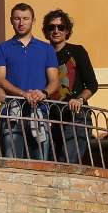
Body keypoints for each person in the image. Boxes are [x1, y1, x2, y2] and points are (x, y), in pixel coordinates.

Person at [0, 2, 60, 160]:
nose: (21, 23)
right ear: (11, 20)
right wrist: (23, 93)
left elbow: (55, 81)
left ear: (33, 21)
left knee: (40, 163)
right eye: (17, 18)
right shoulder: (2, 48)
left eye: (25, 18)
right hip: (11, 112)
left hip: (39, 111)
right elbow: (0, 78)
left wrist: (43, 93)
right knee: (12, 161)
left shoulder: (47, 49)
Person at [43, 9, 99, 165]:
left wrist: (79, 99)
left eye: (61, 27)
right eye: (51, 27)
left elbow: (92, 84)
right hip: (52, 118)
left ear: (67, 30)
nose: (56, 31)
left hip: (76, 116)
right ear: (46, 31)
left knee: (67, 162)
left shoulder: (77, 51)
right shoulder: (42, 54)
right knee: (50, 165)